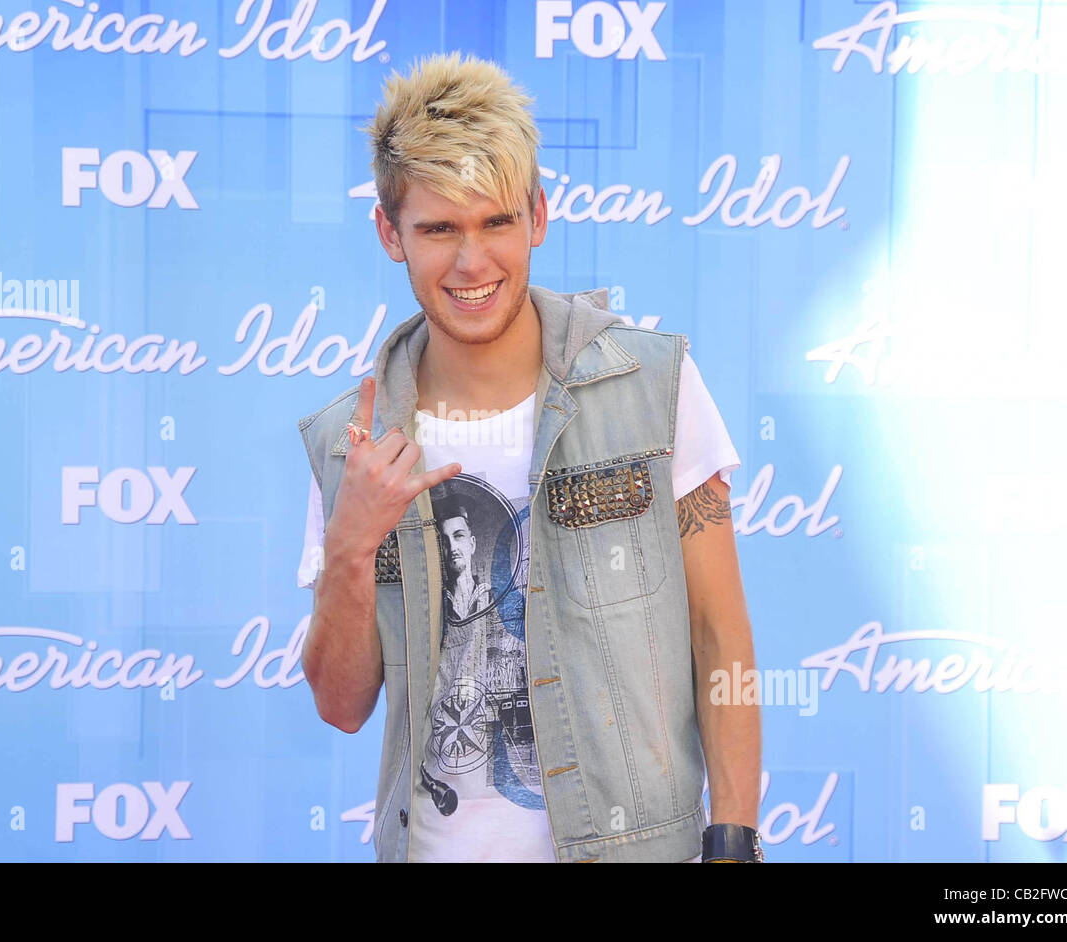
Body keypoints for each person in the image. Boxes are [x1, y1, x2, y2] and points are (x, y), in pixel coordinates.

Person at [296, 51, 761, 863]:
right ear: (389, 234)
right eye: (439, 228)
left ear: (538, 217)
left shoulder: (651, 385)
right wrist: (351, 543)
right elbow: (342, 705)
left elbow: (721, 636)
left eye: (495, 222)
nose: (472, 264)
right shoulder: (354, 444)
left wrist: (734, 843)